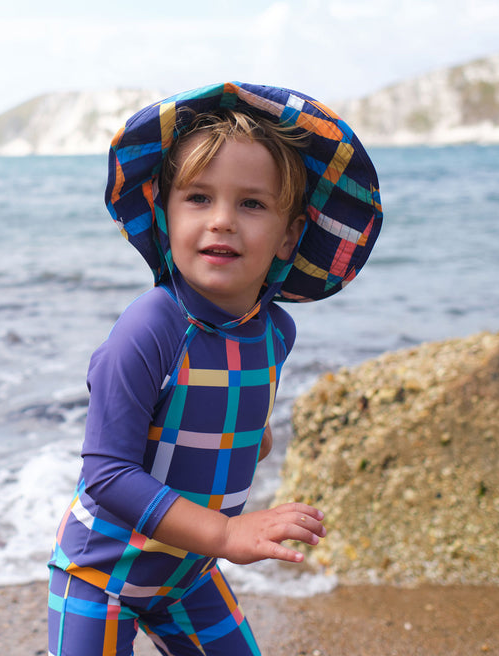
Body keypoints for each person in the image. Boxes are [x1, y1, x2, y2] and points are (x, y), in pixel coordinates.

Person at [48, 82, 382, 656]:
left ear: (290, 235)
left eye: (251, 203)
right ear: (163, 212)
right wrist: (228, 533)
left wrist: (255, 436)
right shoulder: (149, 328)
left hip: (188, 574)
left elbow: (227, 412)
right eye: (199, 198)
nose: (223, 220)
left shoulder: (277, 331)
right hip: (101, 573)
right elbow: (107, 474)